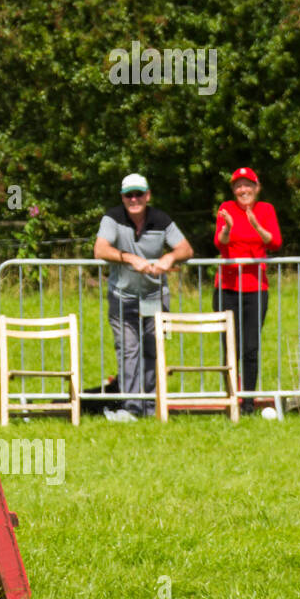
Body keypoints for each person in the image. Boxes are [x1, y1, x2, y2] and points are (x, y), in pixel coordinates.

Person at [92, 172, 194, 421]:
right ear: (122, 198)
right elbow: (100, 249)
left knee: (152, 350)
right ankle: (131, 407)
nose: (134, 199)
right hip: (122, 296)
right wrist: (130, 258)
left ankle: (151, 406)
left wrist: (169, 257)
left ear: (147, 196)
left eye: (139, 194)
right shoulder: (112, 218)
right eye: (129, 195)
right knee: (128, 350)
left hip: (155, 298)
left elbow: (186, 248)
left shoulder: (161, 219)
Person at [214, 166, 282, 415]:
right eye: (238, 185)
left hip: (255, 289)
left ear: (257, 187)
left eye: (247, 185)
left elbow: (274, 242)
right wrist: (228, 228)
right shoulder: (226, 209)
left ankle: (248, 402)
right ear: (233, 190)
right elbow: (219, 242)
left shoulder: (266, 210)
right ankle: (232, 397)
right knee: (230, 345)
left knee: (250, 347)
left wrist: (255, 224)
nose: (243, 190)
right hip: (227, 288)